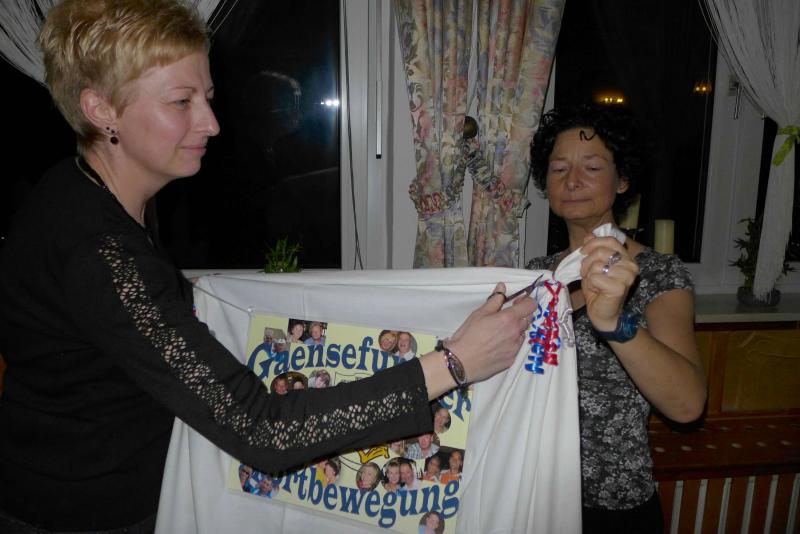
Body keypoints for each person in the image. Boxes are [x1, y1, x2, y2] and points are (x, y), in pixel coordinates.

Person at [0, 1, 536, 531]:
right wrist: (456, 363)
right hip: (85, 512)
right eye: (181, 101)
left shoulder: (86, 191)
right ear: (102, 110)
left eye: (207, 97)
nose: (211, 123)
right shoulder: (99, 248)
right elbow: (264, 433)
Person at [526, 103, 706, 533]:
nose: (572, 180)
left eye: (591, 167)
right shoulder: (534, 276)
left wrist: (613, 322)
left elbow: (687, 405)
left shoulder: (658, 273)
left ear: (622, 179)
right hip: (533, 495)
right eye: (558, 169)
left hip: (614, 505)